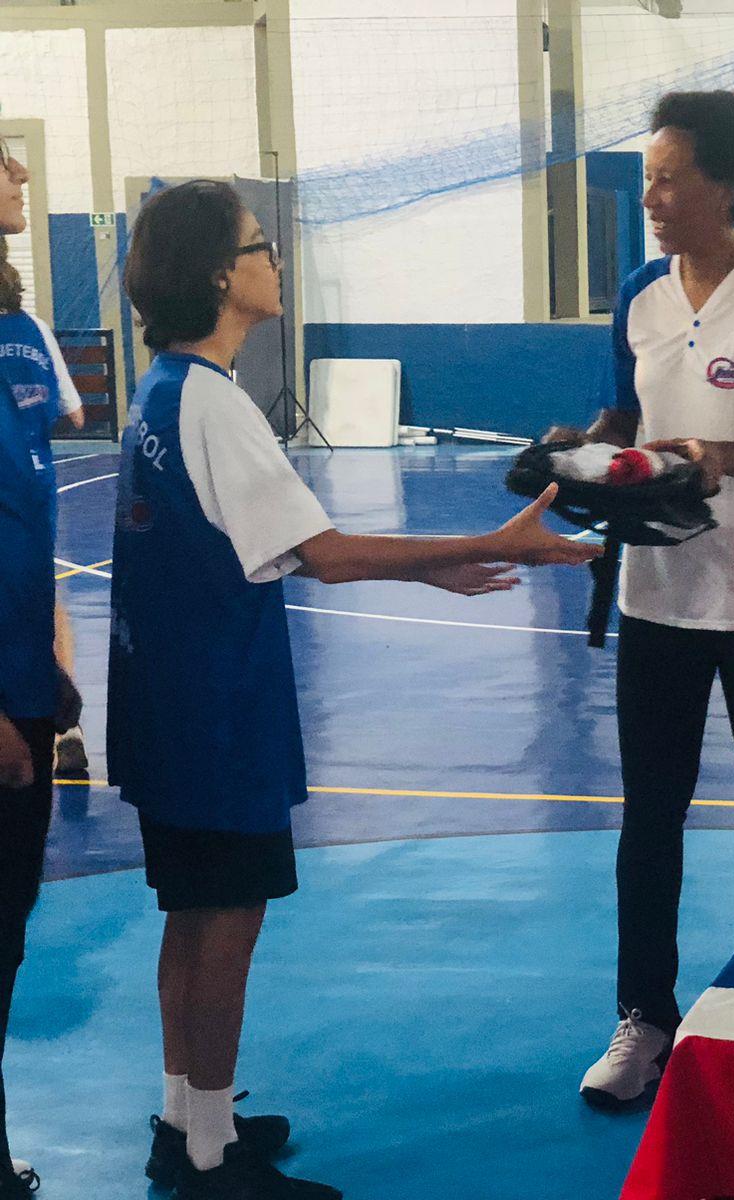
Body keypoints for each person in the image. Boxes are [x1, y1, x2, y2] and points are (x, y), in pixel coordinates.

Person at [112, 179, 598, 1200]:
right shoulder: (214, 406)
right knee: (226, 920)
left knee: (190, 914)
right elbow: (323, 554)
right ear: (219, 275)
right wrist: (485, 545)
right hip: (219, 717)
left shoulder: (158, 395)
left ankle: (185, 1116)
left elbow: (285, 554)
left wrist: (435, 566)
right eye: (258, 247)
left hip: (167, 709)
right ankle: (207, 1159)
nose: (273, 262)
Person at [547, 90, 734, 1109]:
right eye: (648, 178)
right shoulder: (637, 293)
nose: (651, 196)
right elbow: (618, 419)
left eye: (668, 177)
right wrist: (571, 457)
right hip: (657, 597)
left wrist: (715, 457)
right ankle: (643, 1020)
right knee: (650, 817)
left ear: (724, 185)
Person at [0, 130, 84, 1200]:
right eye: (1, 160)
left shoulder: (17, 330)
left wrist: (52, 669)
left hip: (24, 683)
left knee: (7, 934)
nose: (21, 175)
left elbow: (26, 513)